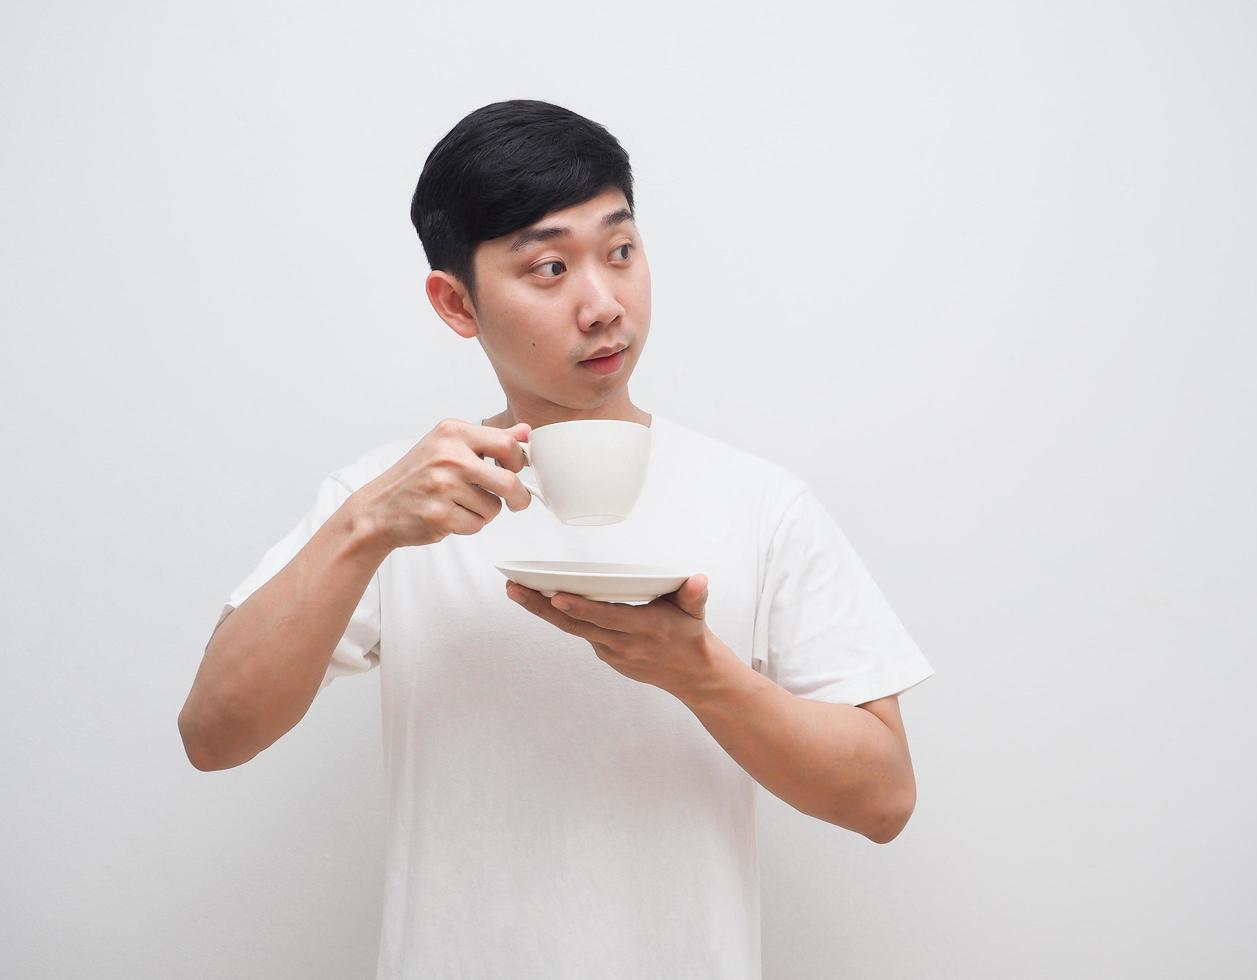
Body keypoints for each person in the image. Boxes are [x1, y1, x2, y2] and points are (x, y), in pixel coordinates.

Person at [178, 99, 935, 979]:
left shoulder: (761, 500)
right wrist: (363, 531)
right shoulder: (396, 500)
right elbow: (213, 735)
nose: (602, 304)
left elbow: (883, 798)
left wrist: (697, 671)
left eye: (620, 251)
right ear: (455, 303)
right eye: (547, 267)